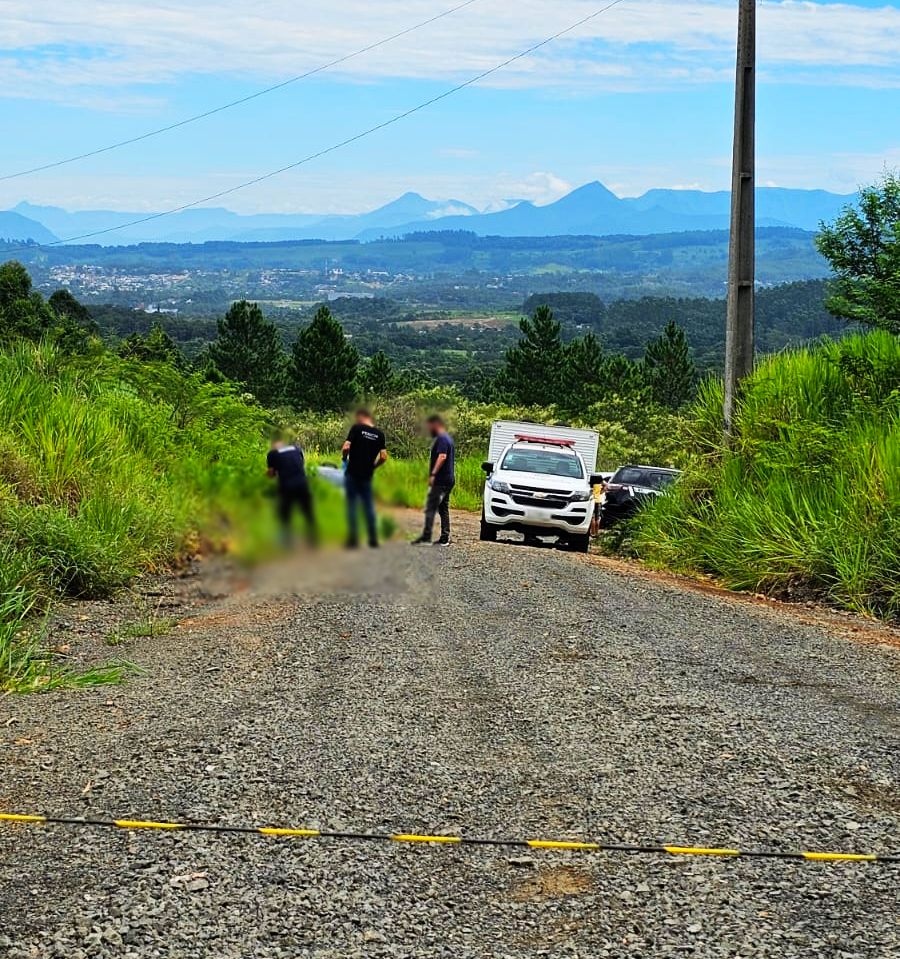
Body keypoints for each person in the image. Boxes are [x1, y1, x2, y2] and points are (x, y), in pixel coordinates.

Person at [341, 408, 387, 548]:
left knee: (352, 505)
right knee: (368, 506)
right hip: (367, 475)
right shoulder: (380, 434)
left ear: (361, 416)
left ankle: (353, 540)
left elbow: (346, 447)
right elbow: (384, 457)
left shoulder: (357, 428)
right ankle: (373, 539)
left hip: (352, 472)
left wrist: (344, 458)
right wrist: (373, 466)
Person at [412, 414, 455, 546]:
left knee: (431, 507)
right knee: (443, 508)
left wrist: (433, 474)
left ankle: (426, 537)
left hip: (441, 480)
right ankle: (445, 537)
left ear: (436, 425)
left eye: (430, 426)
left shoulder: (442, 439)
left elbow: (442, 456)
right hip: (448, 479)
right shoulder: (447, 438)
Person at [266, 436, 316, 546]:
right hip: (302, 484)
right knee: (307, 512)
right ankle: (313, 538)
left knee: (285, 513)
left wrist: (269, 473)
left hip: (286, 486)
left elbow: (271, 473)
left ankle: (287, 541)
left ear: (274, 446)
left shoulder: (272, 454)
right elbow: (301, 464)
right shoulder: (296, 449)